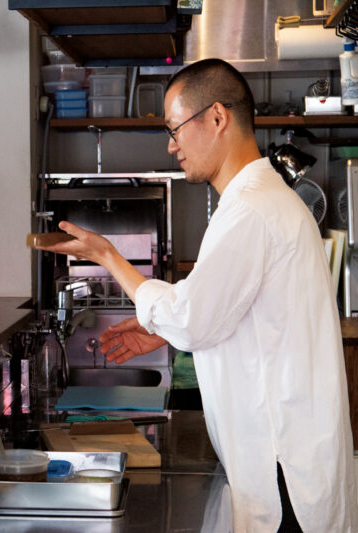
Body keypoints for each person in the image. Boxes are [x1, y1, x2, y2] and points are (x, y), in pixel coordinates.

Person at [36, 59, 357, 532]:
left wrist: (108, 255)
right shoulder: (262, 200)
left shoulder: (250, 208)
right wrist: (162, 331)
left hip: (284, 470)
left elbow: (193, 318)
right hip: (290, 460)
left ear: (217, 117)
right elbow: (233, 304)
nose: (172, 145)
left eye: (176, 128)